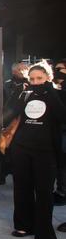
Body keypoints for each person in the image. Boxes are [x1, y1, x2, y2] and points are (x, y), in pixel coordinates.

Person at [9, 62, 66, 239]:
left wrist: (49, 90)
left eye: (39, 79)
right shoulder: (25, 94)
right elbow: (11, 114)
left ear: (48, 78)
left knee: (44, 192)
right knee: (22, 188)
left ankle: (45, 234)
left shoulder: (56, 94)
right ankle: (23, 225)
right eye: (32, 79)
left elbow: (61, 116)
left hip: (46, 151)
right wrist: (20, 95)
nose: (35, 82)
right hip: (21, 147)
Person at [52, 59, 66, 206]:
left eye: (60, 69)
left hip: (63, 133)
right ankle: (60, 191)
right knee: (60, 165)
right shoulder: (57, 89)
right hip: (57, 133)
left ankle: (62, 192)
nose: (57, 72)